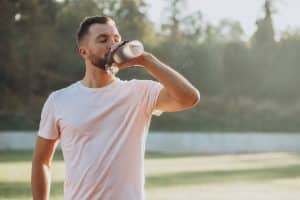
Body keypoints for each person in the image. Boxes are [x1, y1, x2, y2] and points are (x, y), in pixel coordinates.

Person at [31, 16, 200, 200]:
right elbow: (41, 161)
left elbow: (189, 98)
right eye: (103, 40)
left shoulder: (139, 92)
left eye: (116, 39)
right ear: (84, 51)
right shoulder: (58, 100)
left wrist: (147, 60)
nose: (112, 45)